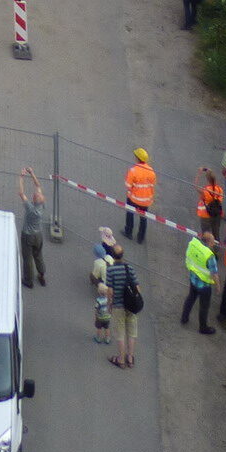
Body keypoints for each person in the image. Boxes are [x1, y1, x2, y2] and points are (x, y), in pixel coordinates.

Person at [105, 240, 140, 368]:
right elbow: (137, 287)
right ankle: (130, 357)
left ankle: (121, 359)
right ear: (123, 255)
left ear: (113, 256)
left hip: (118, 306)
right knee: (131, 332)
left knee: (120, 334)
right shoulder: (129, 268)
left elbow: (110, 291)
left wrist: (109, 304)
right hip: (131, 306)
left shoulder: (111, 270)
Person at [181, 230, 220, 335]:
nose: (213, 243)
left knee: (190, 298)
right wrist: (218, 287)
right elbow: (214, 274)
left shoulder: (193, 244)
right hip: (204, 285)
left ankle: (184, 317)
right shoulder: (209, 255)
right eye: (212, 241)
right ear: (208, 242)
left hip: (193, 279)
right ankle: (203, 328)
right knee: (204, 307)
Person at [17, 168, 48, 288]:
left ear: (34, 200)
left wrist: (21, 178)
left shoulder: (31, 209)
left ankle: (28, 280)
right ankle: (41, 274)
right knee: (38, 255)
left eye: (35, 195)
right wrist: (32, 173)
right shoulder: (41, 206)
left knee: (27, 258)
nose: (35, 193)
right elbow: (38, 185)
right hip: (38, 235)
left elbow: (21, 193)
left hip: (28, 235)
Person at [123, 149, 157, 244]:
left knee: (130, 214)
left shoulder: (133, 170)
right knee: (143, 218)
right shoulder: (151, 171)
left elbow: (128, 185)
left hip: (133, 198)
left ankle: (128, 232)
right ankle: (140, 238)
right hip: (146, 200)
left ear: (137, 158)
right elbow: (152, 184)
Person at [91, 241, 114, 345]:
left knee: (99, 327)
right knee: (107, 327)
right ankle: (108, 338)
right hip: (108, 317)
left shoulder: (97, 262)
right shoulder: (110, 257)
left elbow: (95, 274)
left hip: (100, 316)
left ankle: (99, 338)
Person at [196, 166, 225, 235]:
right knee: (216, 233)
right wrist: (208, 170)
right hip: (216, 214)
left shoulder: (205, 191)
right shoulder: (220, 190)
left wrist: (199, 173)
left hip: (205, 215)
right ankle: (216, 245)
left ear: (207, 180)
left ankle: (207, 245)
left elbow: (196, 186)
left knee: (206, 233)